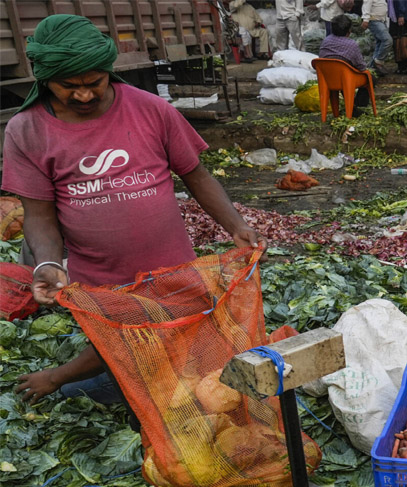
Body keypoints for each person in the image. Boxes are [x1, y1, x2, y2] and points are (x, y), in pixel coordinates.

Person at [3, 15, 263, 405]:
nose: (84, 95)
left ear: (108, 70)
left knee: (195, 371)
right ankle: (84, 383)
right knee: (128, 365)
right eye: (68, 86)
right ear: (43, 79)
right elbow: (38, 215)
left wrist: (236, 225)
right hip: (103, 283)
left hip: (175, 271)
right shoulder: (26, 130)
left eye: (94, 83)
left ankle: (75, 380)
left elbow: (196, 175)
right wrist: (48, 265)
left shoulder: (150, 109)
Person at [362, 0, 394, 74]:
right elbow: (366, 5)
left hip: (380, 20)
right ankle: (378, 62)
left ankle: (372, 68)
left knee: (380, 42)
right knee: (387, 40)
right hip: (374, 20)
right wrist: (365, 19)